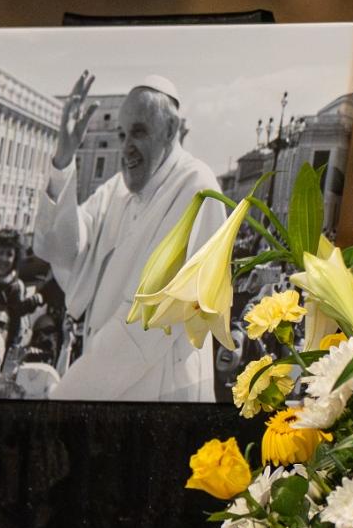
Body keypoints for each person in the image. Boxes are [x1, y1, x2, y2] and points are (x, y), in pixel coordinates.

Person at [32, 73, 225, 401]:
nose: (126, 149)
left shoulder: (196, 187)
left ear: (170, 131)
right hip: (105, 380)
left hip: (161, 388)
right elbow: (62, 250)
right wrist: (63, 161)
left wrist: (66, 394)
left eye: (139, 132)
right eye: (121, 134)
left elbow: (149, 321)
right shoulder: (117, 190)